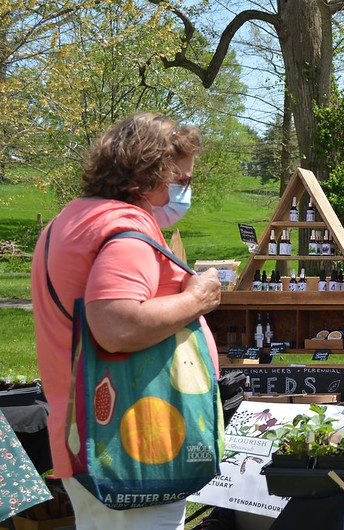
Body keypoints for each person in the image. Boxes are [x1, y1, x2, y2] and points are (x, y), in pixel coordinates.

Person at [30, 112, 222, 529]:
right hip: (131, 440)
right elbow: (117, 326)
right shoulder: (127, 229)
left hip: (89, 435)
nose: (185, 190)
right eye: (181, 180)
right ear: (147, 173)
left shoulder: (71, 221)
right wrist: (197, 299)